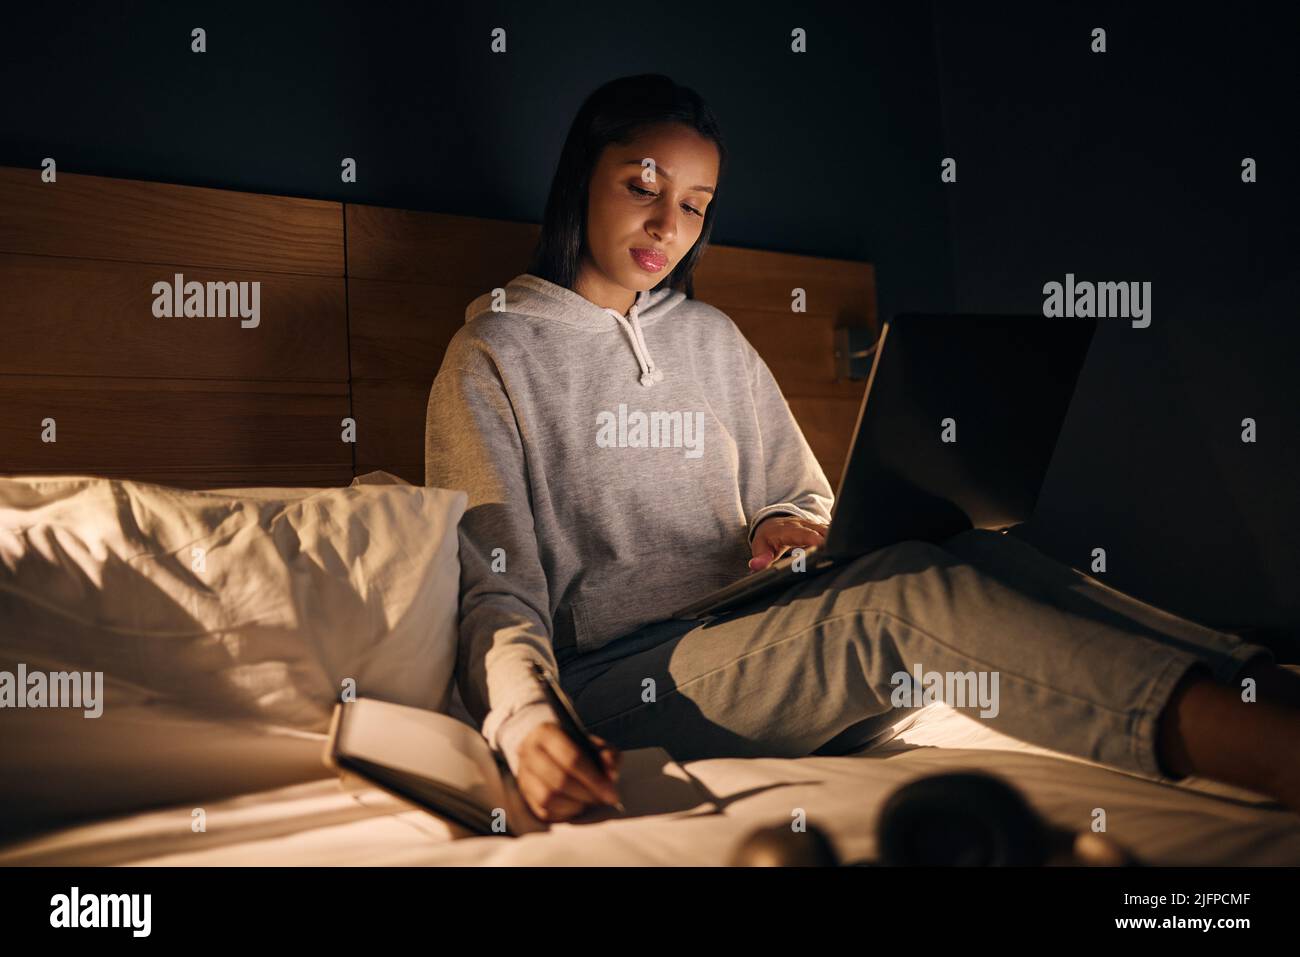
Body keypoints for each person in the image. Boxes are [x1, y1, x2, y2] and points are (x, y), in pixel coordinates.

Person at [425, 73, 1300, 825]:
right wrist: (526, 719)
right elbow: (495, 590)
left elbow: (800, 496)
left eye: (695, 206)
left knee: (958, 548)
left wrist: (785, 523)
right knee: (892, 605)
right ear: (583, 176)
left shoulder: (712, 337)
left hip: (764, 634)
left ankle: (1267, 692)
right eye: (641, 188)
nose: (668, 225)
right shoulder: (496, 354)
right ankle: (1275, 758)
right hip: (624, 684)